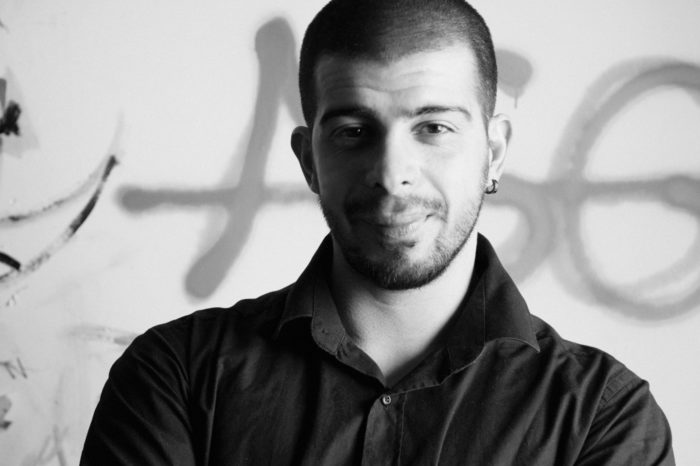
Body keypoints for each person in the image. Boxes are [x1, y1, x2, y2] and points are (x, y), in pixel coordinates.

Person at [81, 0, 675, 464]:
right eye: (353, 132)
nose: (392, 175)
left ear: (494, 152)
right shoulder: (177, 377)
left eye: (434, 128)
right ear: (309, 160)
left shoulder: (602, 417)